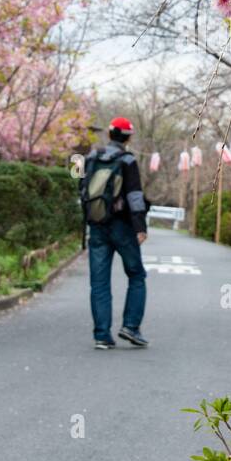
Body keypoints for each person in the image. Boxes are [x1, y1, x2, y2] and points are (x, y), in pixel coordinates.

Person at [80, 116, 149, 349]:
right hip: (122, 227)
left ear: (109, 134)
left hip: (97, 224)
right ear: (128, 137)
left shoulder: (91, 157)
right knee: (136, 275)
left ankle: (102, 335)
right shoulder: (127, 160)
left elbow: (82, 189)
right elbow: (134, 196)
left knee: (99, 282)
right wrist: (140, 227)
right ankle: (130, 326)